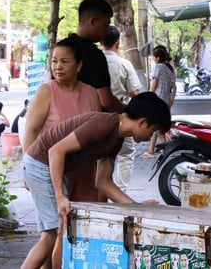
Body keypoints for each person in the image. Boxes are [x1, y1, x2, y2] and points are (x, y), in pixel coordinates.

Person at [20, 92, 171, 269]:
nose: (149, 137)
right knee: (53, 235)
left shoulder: (117, 139)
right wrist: (61, 197)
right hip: (40, 163)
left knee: (56, 231)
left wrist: (136, 208)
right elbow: (56, 151)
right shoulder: (104, 125)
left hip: (46, 166)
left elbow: (103, 182)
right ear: (143, 122)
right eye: (152, 132)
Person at [22, 35, 102, 268]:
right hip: (50, 171)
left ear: (79, 65)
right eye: (55, 61)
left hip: (84, 173)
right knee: (56, 231)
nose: (57, 66)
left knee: (78, 230)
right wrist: (28, 172)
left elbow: (96, 133)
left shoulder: (91, 93)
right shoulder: (46, 91)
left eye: (64, 61)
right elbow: (31, 131)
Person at [101, 25, 142, 191]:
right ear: (117, 43)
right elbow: (135, 94)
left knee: (100, 156)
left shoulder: (92, 62)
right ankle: (120, 191)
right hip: (121, 117)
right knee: (125, 154)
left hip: (95, 116)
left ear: (101, 41)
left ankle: (100, 190)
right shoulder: (124, 64)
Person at [74, 0, 124, 113]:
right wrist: (127, 113)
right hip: (87, 122)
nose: (107, 30)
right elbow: (106, 101)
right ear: (92, 22)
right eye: (105, 25)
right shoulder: (93, 54)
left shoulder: (61, 47)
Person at [141, 46, 177, 158]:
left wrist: (149, 95)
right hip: (167, 99)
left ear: (157, 58)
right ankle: (153, 149)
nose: (152, 58)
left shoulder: (158, 67)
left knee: (156, 124)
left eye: (153, 56)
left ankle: (166, 148)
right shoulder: (170, 68)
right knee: (159, 124)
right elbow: (174, 87)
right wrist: (171, 99)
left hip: (158, 99)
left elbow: (154, 83)